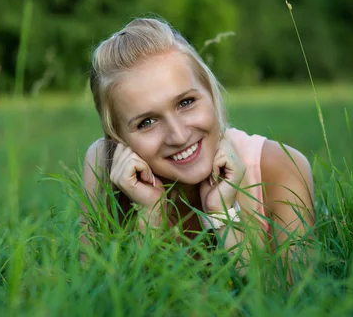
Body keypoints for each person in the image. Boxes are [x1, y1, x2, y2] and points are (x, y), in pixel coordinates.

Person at [80, 17, 314, 270]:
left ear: (211, 93)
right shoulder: (103, 165)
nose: (179, 136)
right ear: (119, 139)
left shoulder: (278, 166)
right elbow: (103, 301)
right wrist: (150, 216)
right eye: (146, 122)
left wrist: (223, 215)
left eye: (186, 103)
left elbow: (293, 299)